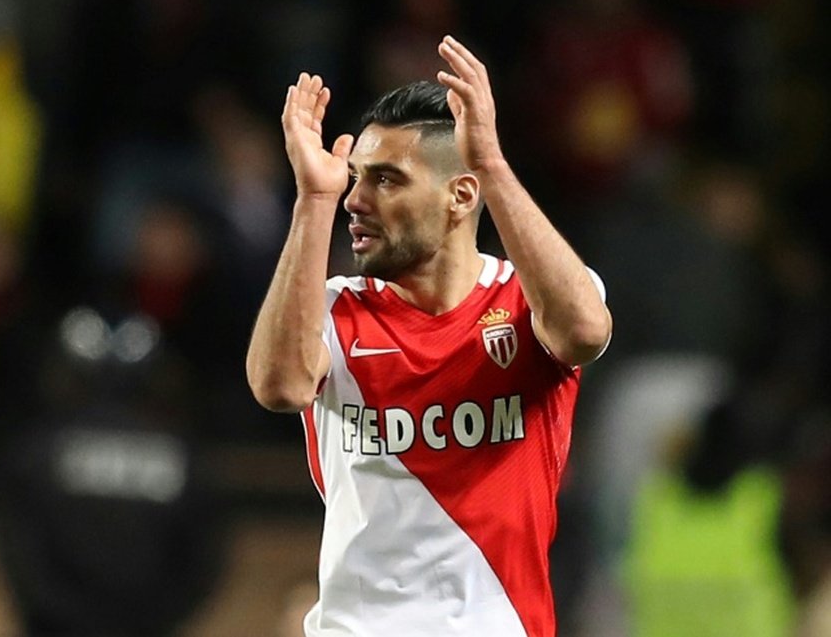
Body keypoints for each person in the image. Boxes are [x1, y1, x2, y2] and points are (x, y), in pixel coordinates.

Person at [246, 34, 613, 636]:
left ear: (461, 195)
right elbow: (279, 386)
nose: (356, 199)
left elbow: (585, 332)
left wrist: (490, 163)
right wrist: (314, 197)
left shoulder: (526, 301)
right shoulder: (335, 311)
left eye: (386, 180)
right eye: (355, 178)